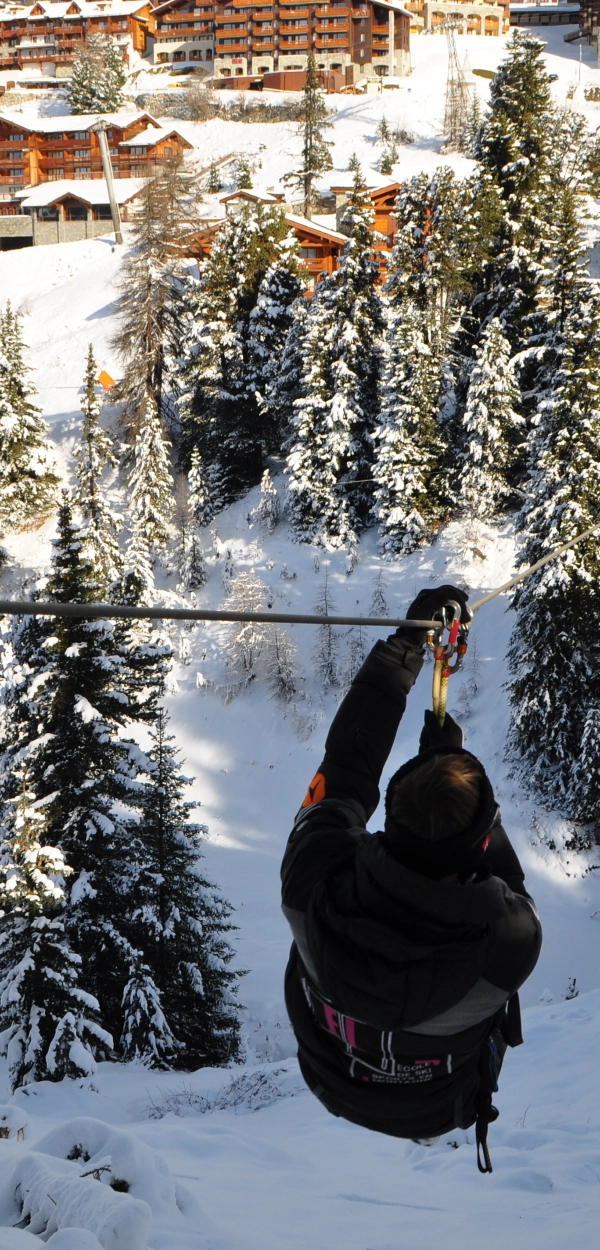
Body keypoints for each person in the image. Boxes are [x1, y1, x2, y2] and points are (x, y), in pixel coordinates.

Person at [281, 585, 542, 1171]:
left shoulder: (314, 874)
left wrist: (407, 644)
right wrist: (446, 767)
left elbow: (346, 769)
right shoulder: (508, 942)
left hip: (329, 1074)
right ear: (478, 843)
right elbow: (502, 881)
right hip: (439, 1103)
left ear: (390, 815)